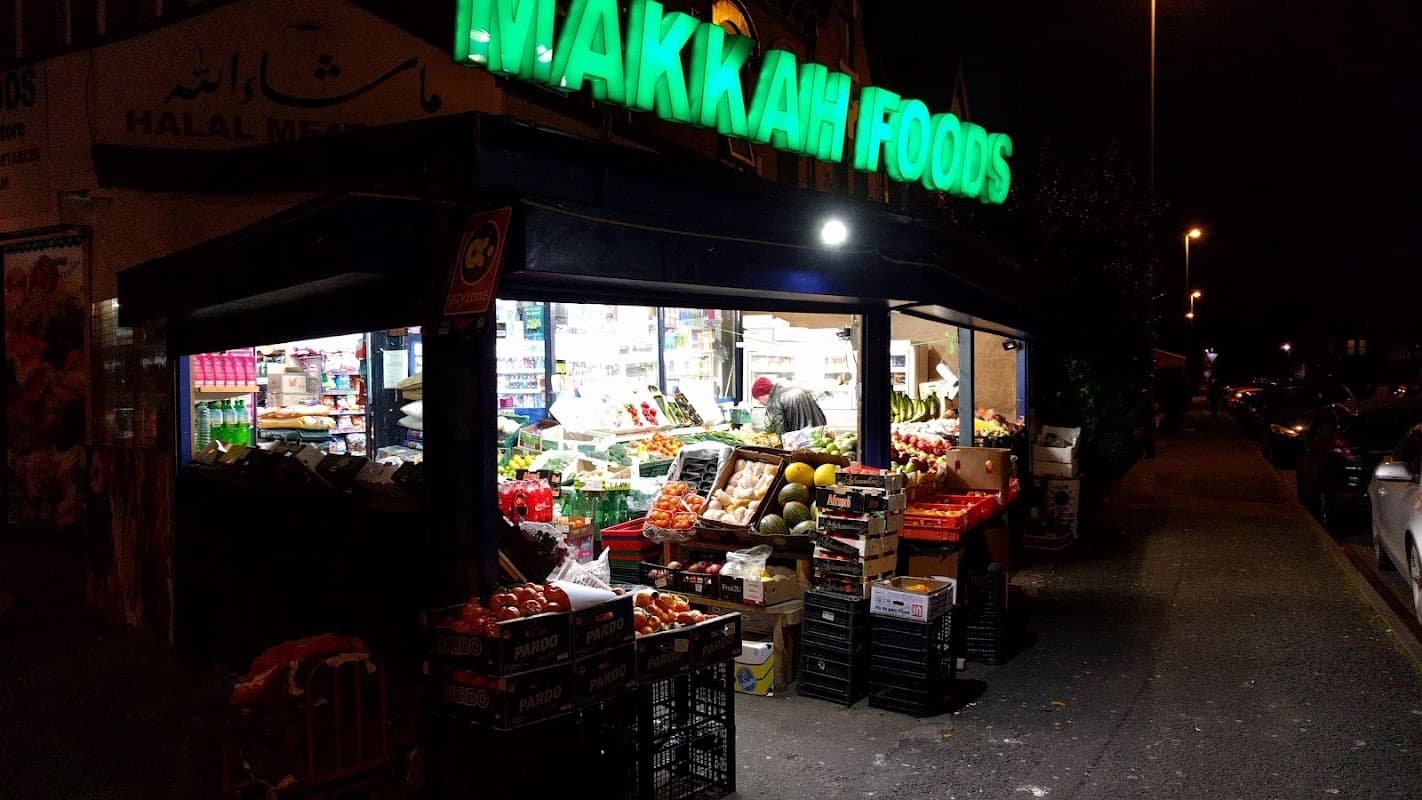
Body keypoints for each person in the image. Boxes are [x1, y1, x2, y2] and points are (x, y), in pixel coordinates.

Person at [751, 376, 826, 435]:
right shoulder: (800, 390)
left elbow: (779, 433)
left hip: (799, 444)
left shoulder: (775, 401)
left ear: (763, 393)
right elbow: (820, 415)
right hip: (817, 437)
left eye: (758, 398)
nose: (759, 402)